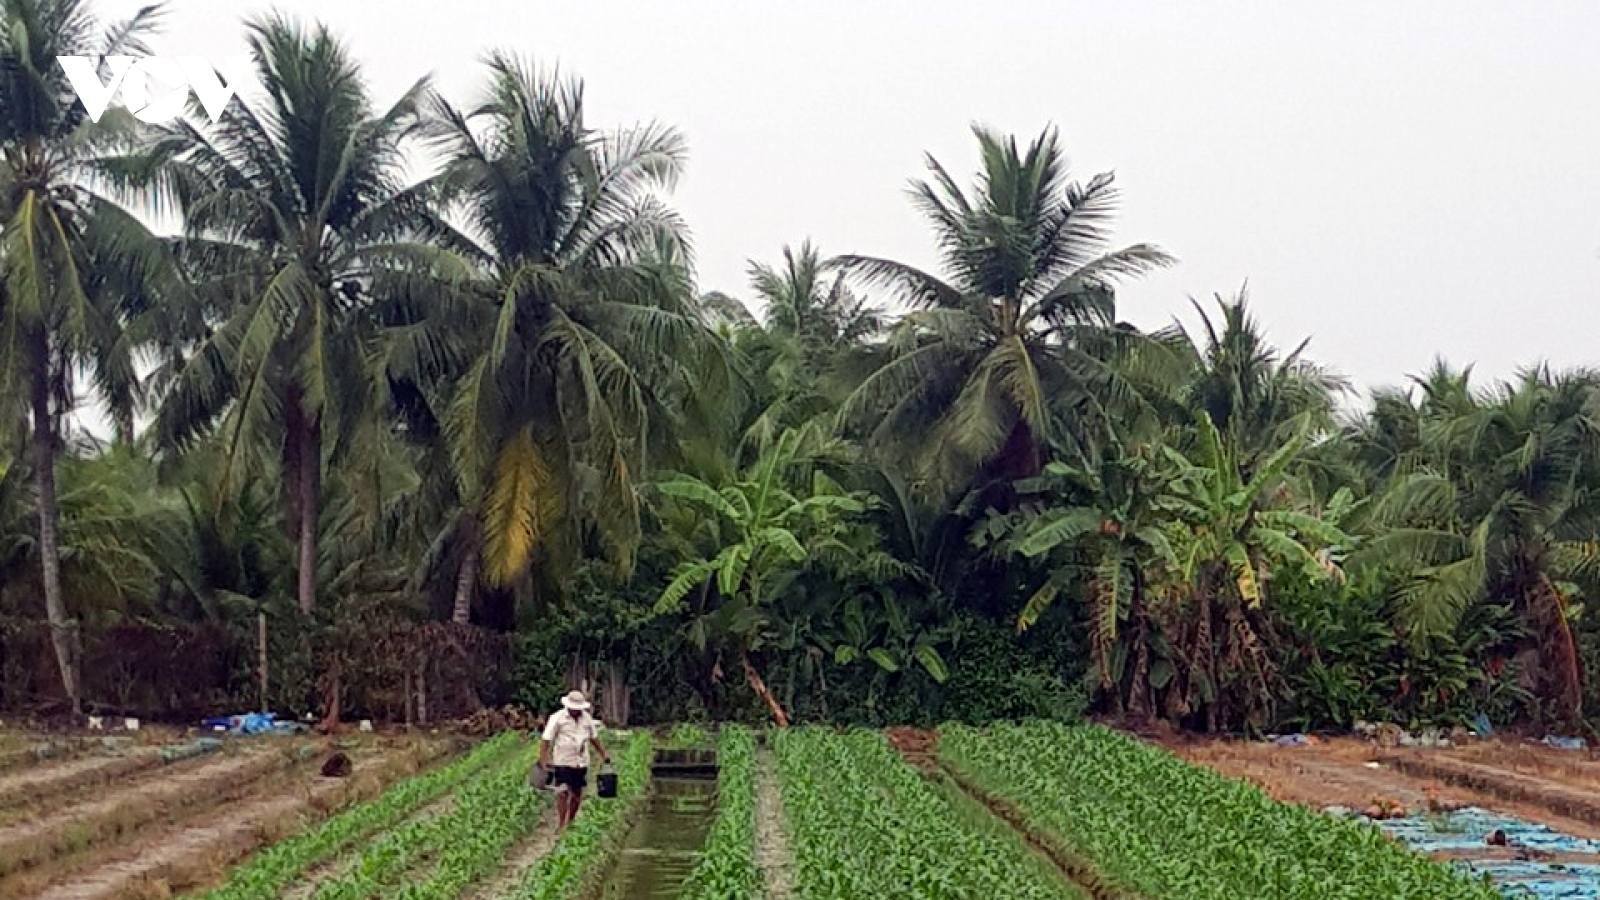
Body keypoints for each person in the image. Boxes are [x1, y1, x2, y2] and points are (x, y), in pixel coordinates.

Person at [538, 690, 609, 832]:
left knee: (577, 792)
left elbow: (594, 738)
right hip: (563, 760)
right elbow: (546, 739)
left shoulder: (587, 719)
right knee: (562, 791)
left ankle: (571, 822)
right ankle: (561, 823)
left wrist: (604, 754)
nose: (576, 711)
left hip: (580, 761)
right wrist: (543, 759)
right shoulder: (557, 718)